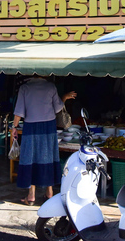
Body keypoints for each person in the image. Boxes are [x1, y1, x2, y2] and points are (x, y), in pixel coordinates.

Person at [11, 76, 76, 205]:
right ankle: (49, 192)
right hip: (48, 126)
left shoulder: (25, 88)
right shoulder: (51, 87)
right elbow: (58, 108)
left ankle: (31, 195)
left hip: (31, 126)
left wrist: (14, 127)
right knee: (48, 156)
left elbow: (19, 111)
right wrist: (64, 97)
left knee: (31, 157)